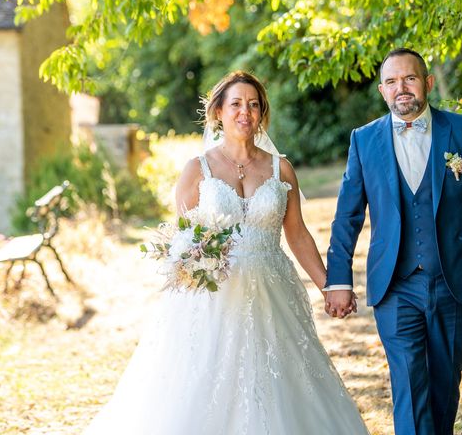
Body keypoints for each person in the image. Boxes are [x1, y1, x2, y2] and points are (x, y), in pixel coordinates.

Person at [84, 71, 369, 434]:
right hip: (213, 298)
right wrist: (191, 263)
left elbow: (296, 234)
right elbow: (183, 239)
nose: (244, 113)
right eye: (235, 104)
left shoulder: (280, 168)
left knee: (278, 384)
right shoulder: (196, 170)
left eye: (253, 105)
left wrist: (329, 286)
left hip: (272, 293)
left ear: (262, 113)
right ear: (218, 111)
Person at [325, 48, 462, 434]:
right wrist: (339, 280)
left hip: (454, 280)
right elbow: (347, 216)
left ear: (427, 83)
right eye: (393, 82)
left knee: (444, 386)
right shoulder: (364, 141)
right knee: (409, 385)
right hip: (395, 285)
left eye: (410, 79)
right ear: (382, 90)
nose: (402, 88)